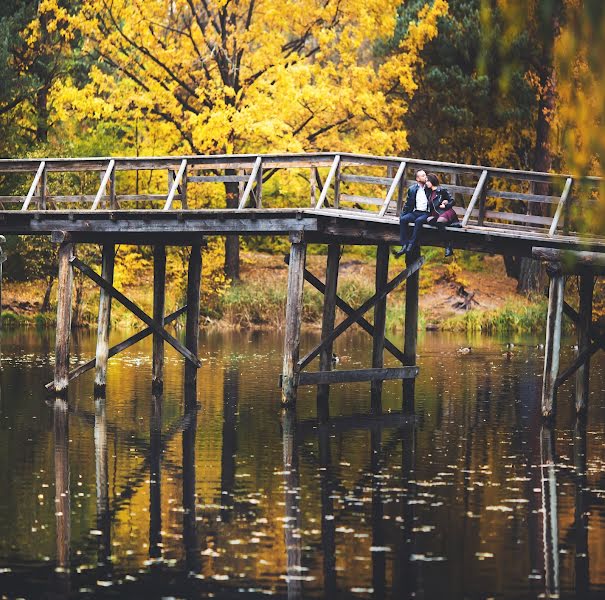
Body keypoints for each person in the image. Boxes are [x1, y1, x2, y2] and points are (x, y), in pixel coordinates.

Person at [394, 169, 431, 257]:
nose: (425, 177)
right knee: (403, 220)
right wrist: (402, 215)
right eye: (422, 175)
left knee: (418, 221)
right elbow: (408, 204)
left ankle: (411, 245)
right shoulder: (412, 189)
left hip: (426, 213)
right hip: (416, 212)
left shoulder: (429, 188)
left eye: (425, 175)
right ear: (417, 179)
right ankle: (404, 245)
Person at [425, 172, 458, 257]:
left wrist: (446, 204)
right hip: (436, 214)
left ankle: (448, 246)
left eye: (427, 181)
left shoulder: (442, 190)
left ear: (432, 181)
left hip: (445, 212)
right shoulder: (428, 192)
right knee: (429, 220)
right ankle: (451, 224)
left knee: (440, 222)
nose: (426, 183)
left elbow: (452, 201)